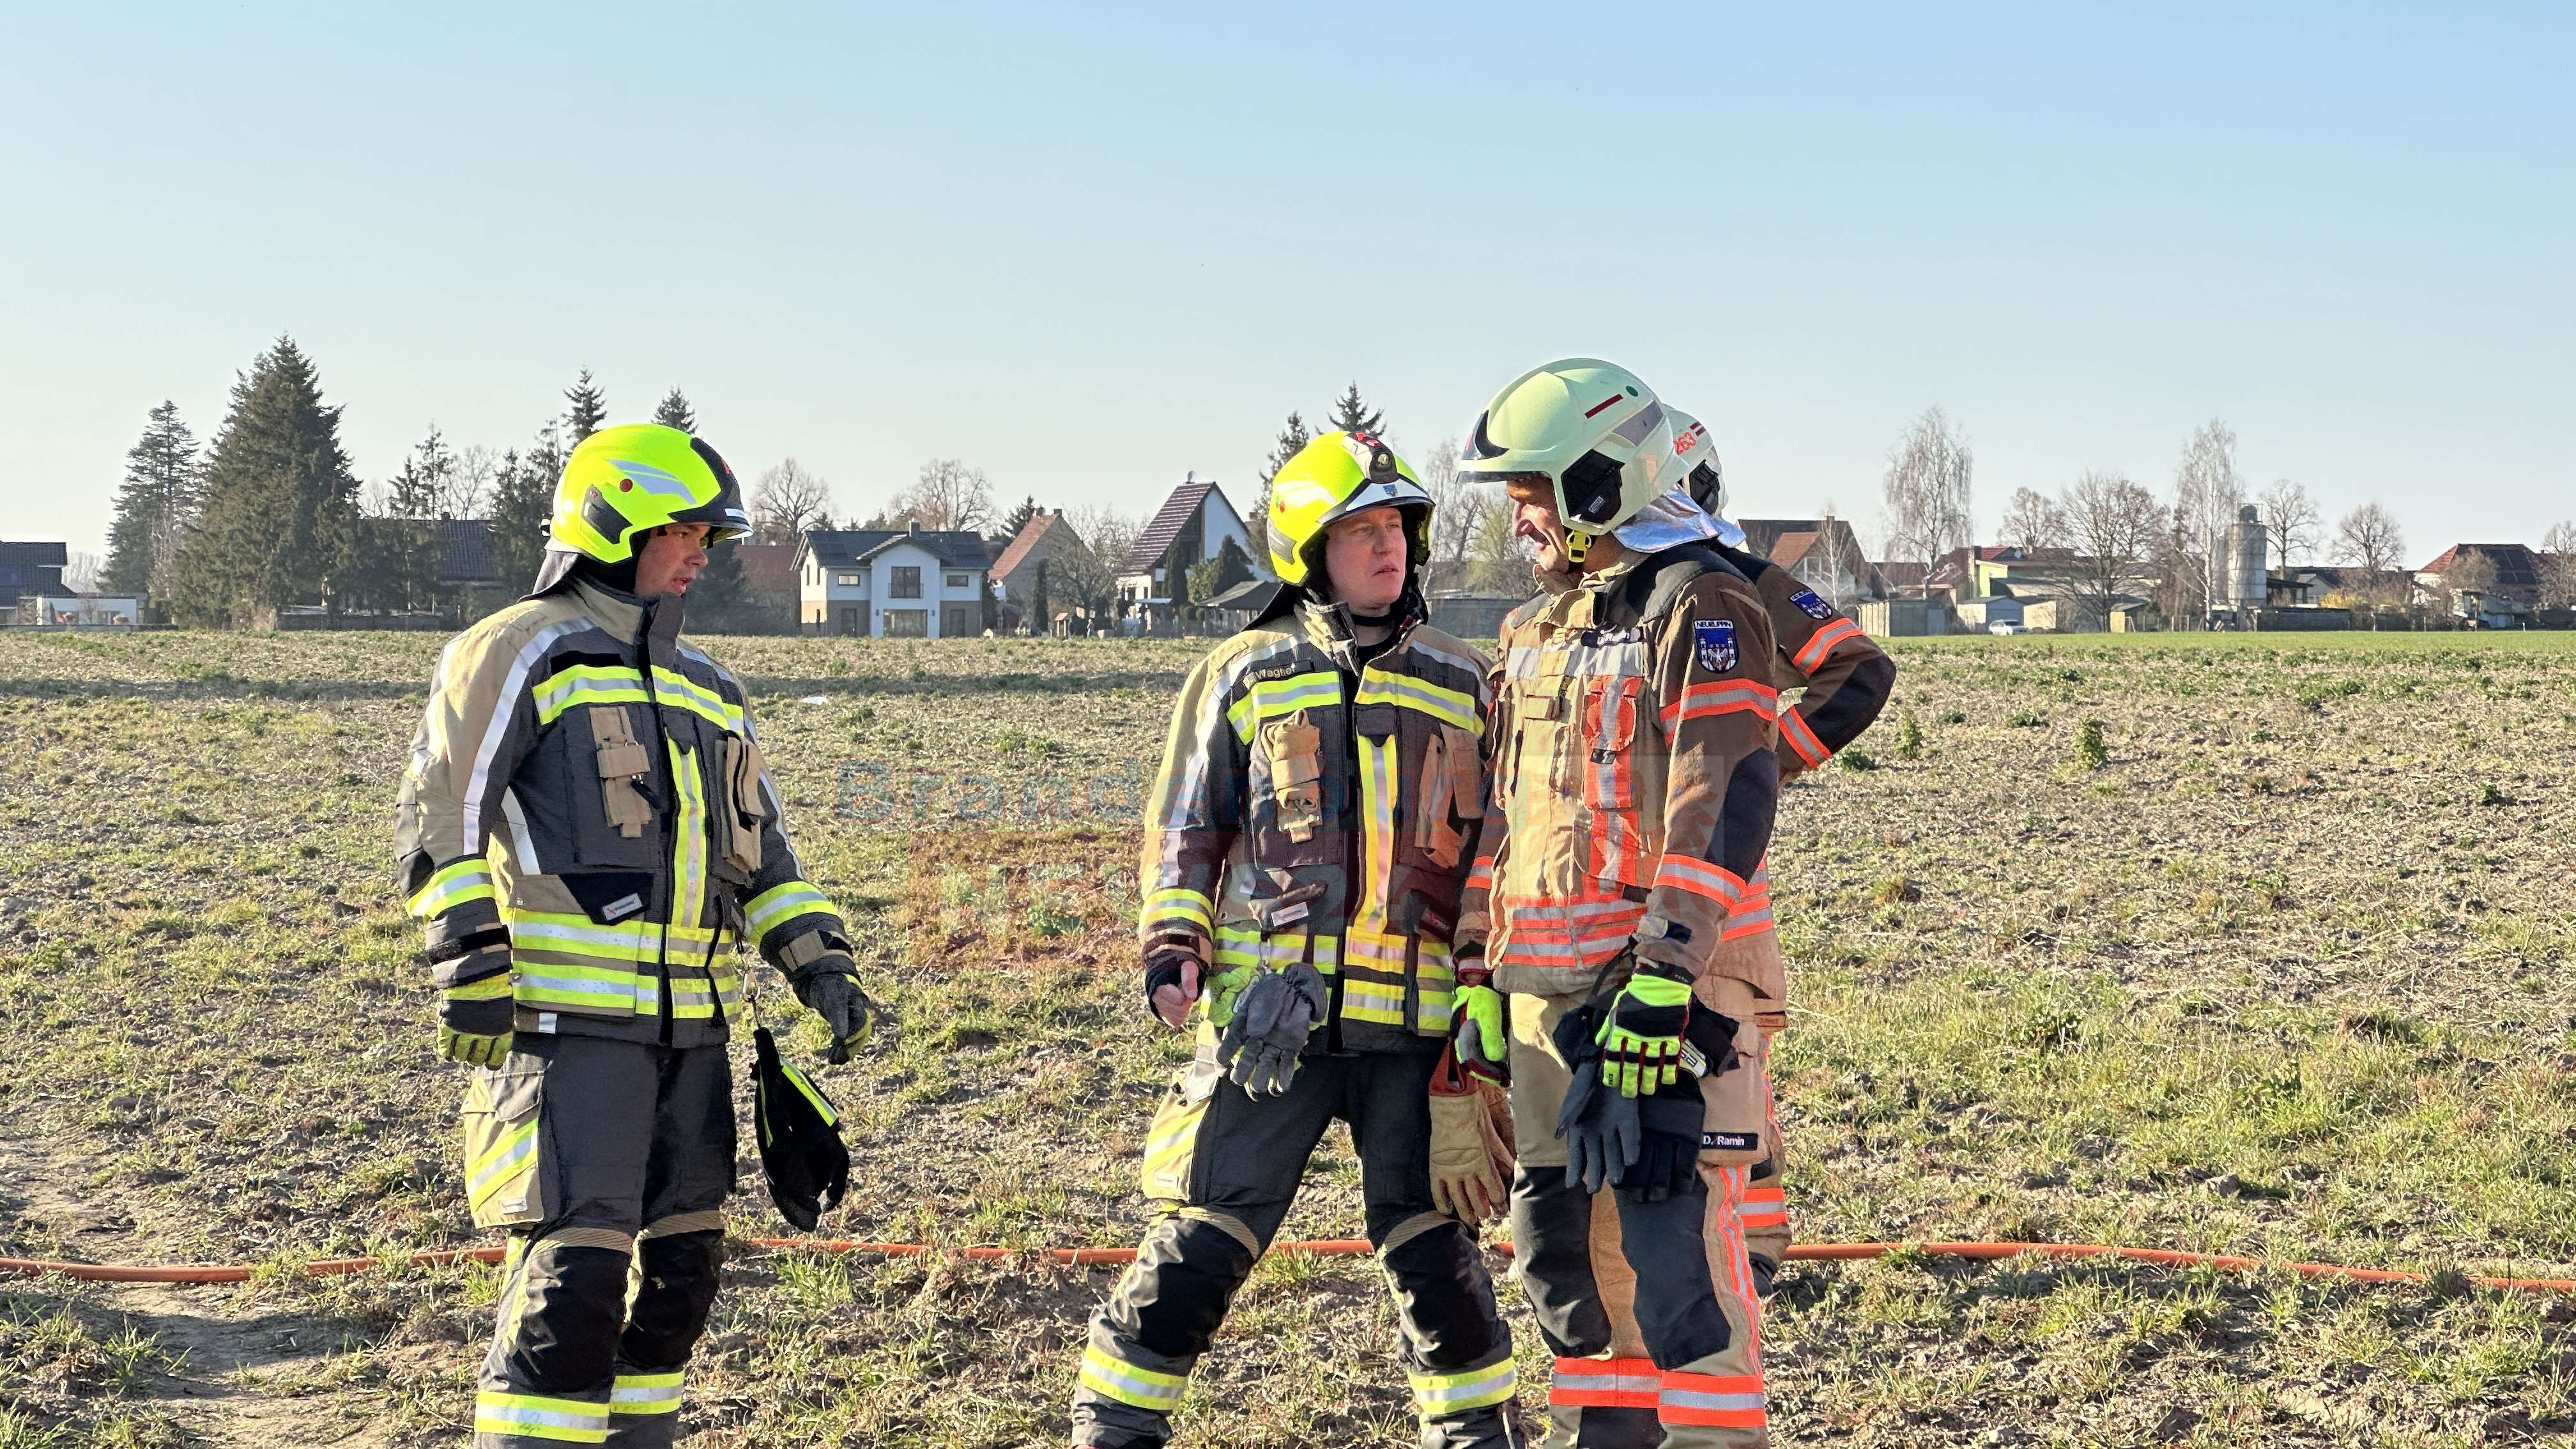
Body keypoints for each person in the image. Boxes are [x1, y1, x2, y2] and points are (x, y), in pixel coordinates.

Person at [394, 423, 881, 1448]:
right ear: (611, 526)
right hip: (567, 1040)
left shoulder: (712, 687)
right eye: (681, 532)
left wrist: (820, 965)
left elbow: (763, 855)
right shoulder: (516, 650)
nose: (700, 554)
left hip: (695, 1043)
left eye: (708, 535)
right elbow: (442, 813)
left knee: (680, 1283)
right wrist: (468, 959)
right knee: (572, 1286)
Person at [1070, 432, 1525, 1449]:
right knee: (1204, 1235)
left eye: (1398, 527)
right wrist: (1173, 946)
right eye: (1361, 531)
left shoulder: (1465, 679)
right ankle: (1114, 1428)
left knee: (1435, 1252)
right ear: (1309, 551)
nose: (1388, 547)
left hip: (1418, 1030)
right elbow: (1187, 826)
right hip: (1273, 1023)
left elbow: (1496, 846)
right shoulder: (1243, 672)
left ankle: (1476, 1435)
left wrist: (1485, 984)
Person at [1451, 360, 1781, 1448]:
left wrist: (1663, 978)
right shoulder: (1533, 631)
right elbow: (1504, 817)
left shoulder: (1702, 600)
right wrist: (1479, 972)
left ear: (1599, 484)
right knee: (1565, 1261)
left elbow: (1721, 801)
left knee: (1675, 1250)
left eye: (1532, 495)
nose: (1519, 521)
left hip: (1646, 995)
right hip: (1539, 998)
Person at [1667, 410, 1895, 1293]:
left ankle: (1750, 1248)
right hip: (1637, 879)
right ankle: (1730, 1240)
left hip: (1718, 881)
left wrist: (1774, 757)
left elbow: (1859, 669)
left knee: (1729, 1066)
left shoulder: (1734, 581)